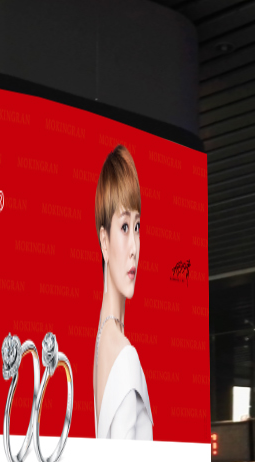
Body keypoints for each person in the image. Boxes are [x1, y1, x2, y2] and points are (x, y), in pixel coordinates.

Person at [92, 144, 153, 440]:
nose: (134, 248)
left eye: (137, 226)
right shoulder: (124, 354)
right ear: (104, 241)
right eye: (125, 227)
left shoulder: (102, 341)